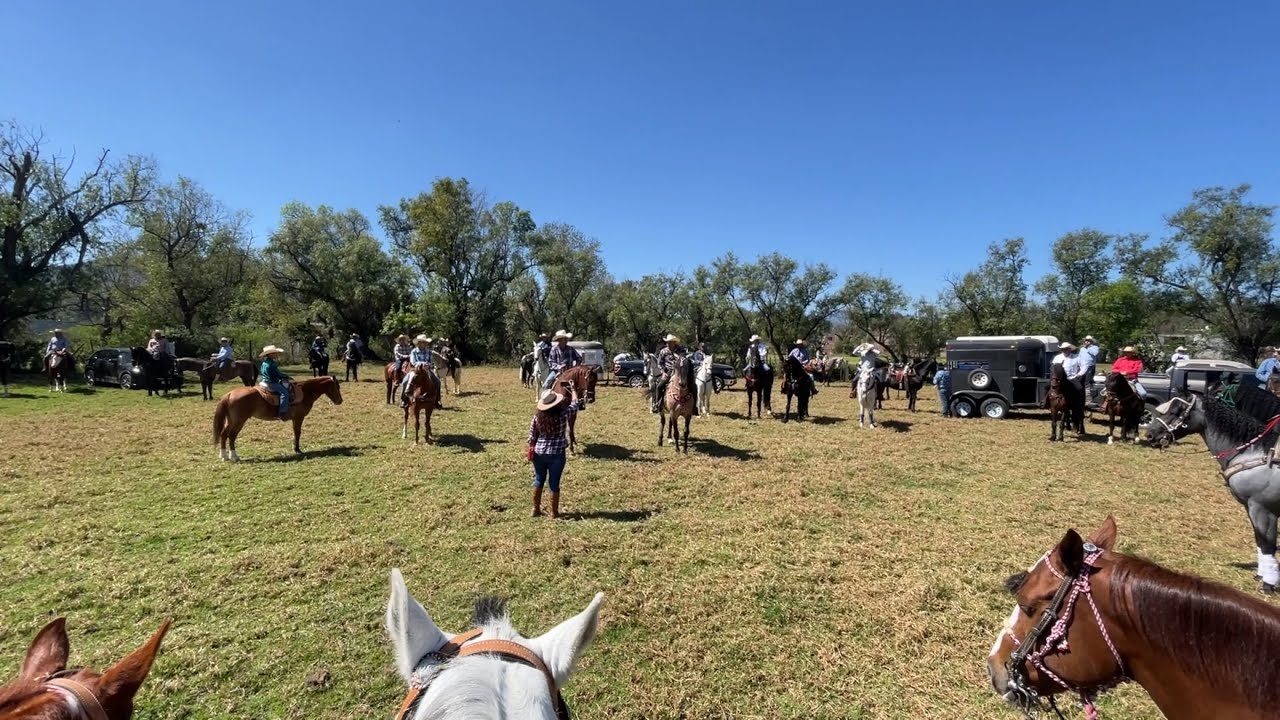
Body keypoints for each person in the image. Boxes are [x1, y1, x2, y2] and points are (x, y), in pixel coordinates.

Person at [527, 383, 586, 519]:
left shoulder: (537, 417)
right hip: (557, 453)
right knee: (554, 483)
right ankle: (554, 512)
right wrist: (573, 389)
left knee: (539, 479)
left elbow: (532, 436)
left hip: (539, 453)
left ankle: (535, 509)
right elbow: (575, 404)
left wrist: (532, 447)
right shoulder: (563, 415)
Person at [652, 334, 694, 413]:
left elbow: (684, 360)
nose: (668, 344)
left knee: (693, 385)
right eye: (667, 342)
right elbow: (659, 363)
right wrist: (663, 372)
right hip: (668, 371)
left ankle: (694, 406)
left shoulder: (680, 350)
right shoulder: (663, 351)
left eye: (670, 342)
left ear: (674, 342)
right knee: (659, 386)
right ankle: (657, 404)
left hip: (680, 371)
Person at [400, 335, 439, 408]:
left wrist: (427, 365)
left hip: (427, 370)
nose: (423, 344)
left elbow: (431, 361)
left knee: (437, 382)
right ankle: (404, 400)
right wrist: (420, 364)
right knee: (405, 382)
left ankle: (437, 400)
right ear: (418, 343)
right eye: (421, 342)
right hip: (416, 370)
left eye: (424, 342)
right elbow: (412, 361)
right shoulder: (414, 351)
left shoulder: (429, 351)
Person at [259, 345, 292, 420]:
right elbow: (276, 374)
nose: (277, 354)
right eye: (275, 353)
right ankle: (282, 413)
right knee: (285, 393)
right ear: (270, 354)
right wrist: (285, 376)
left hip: (265, 380)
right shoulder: (271, 364)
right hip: (271, 382)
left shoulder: (265, 362)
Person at [1062, 342, 1088, 435]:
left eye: (1066, 349)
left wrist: (1078, 375)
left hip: (1073, 378)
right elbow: (1053, 367)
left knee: (1079, 390)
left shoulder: (1077, 357)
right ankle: (1045, 402)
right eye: (1063, 349)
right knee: (1048, 388)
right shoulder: (1058, 358)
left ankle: (1080, 406)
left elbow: (1084, 366)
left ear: (1070, 349)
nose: (1064, 350)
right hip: (1062, 380)